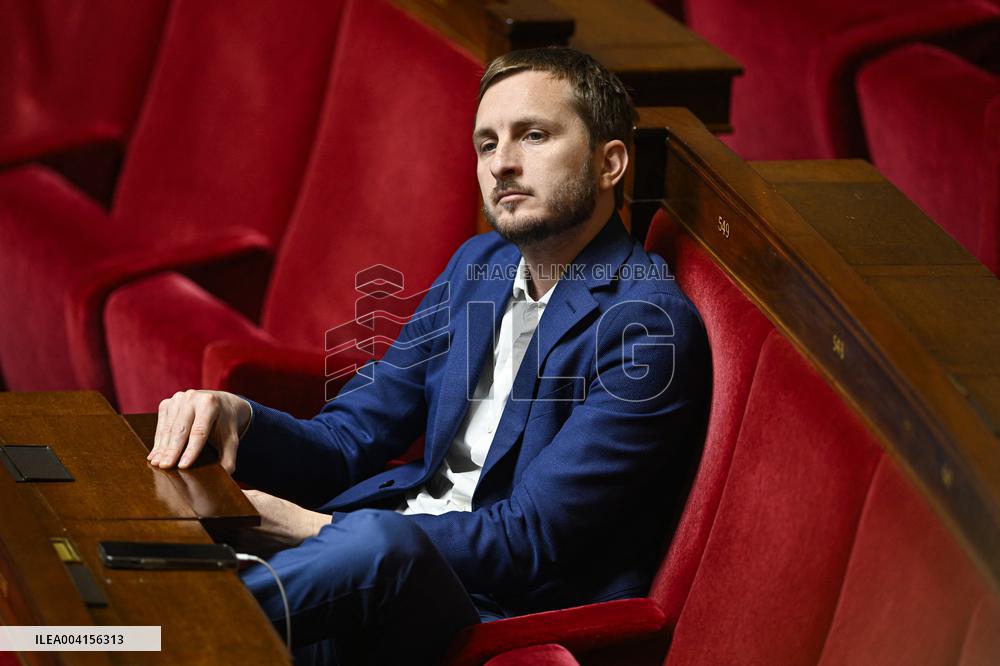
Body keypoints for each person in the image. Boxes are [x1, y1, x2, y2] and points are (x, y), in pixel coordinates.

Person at [149, 47, 710, 664]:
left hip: (492, 609)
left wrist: (313, 529)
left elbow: (530, 540)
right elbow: (349, 437)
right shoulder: (479, 266)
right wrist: (240, 417)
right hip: (366, 564)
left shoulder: (646, 328)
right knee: (154, 519)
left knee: (373, 544)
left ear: (610, 163)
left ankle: (143, 645)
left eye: (534, 135)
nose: (502, 164)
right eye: (487, 144)